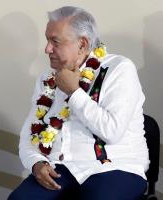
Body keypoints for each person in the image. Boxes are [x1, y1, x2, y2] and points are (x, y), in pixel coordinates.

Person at [9, 6, 148, 200]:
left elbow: (112, 131)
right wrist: (36, 163)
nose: (47, 49)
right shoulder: (46, 79)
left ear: (82, 44)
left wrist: (74, 92)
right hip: (61, 168)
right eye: (48, 40)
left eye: (54, 41)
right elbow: (30, 134)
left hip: (114, 167)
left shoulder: (119, 69)